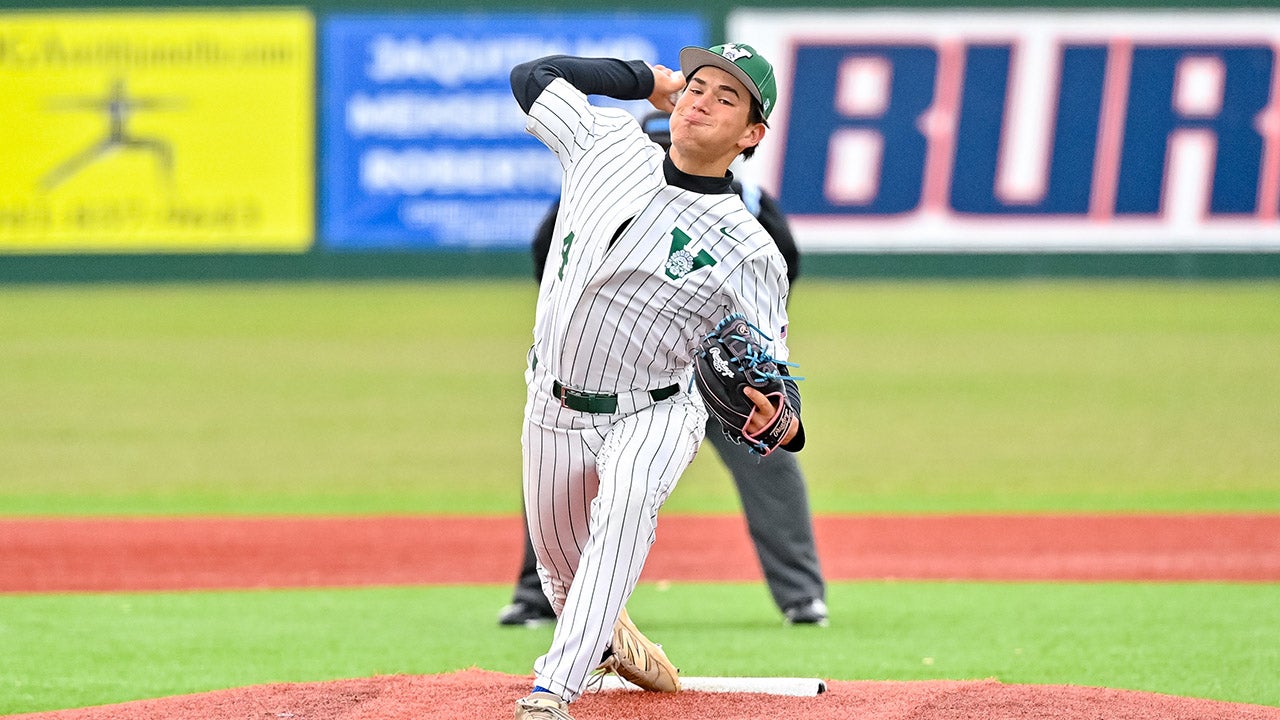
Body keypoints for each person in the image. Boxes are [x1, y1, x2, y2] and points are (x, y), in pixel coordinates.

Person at [509, 43, 808, 720]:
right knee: (564, 576)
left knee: (625, 508)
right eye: (699, 86)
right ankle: (613, 639)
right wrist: (646, 80)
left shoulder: (749, 247)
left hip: (657, 410)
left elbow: (774, 381)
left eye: (726, 98)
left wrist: (778, 417)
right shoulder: (605, 143)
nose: (702, 99)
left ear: (751, 135)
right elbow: (532, 78)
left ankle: (552, 689)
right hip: (551, 408)